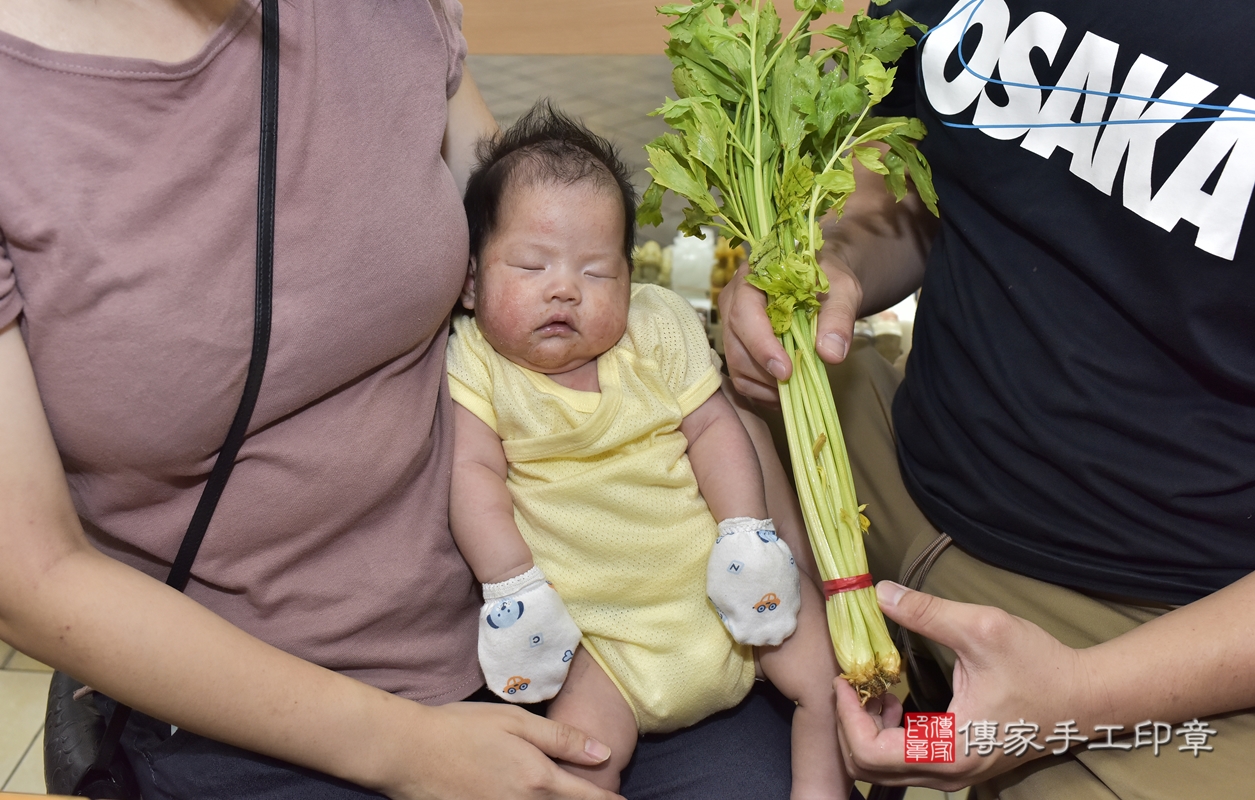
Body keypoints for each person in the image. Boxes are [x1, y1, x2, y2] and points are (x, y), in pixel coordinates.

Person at [0, 2, 799, 798]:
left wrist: (798, 568)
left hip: (576, 618)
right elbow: (30, 576)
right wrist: (401, 747)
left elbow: (527, 225)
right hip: (258, 696)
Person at [718, 0, 1255, 797]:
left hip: (1147, 630)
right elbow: (926, 180)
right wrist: (839, 261)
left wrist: (1077, 699)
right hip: (889, 469)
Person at [445, 105, 848, 798]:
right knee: (581, 755)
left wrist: (745, 533)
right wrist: (513, 585)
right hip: (601, 648)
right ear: (472, 281)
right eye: (531, 265)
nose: (564, 287)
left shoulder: (655, 332)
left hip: (729, 606)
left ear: (630, 282)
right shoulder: (479, 363)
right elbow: (470, 474)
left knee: (823, 682)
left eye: (598, 272)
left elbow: (716, 430)